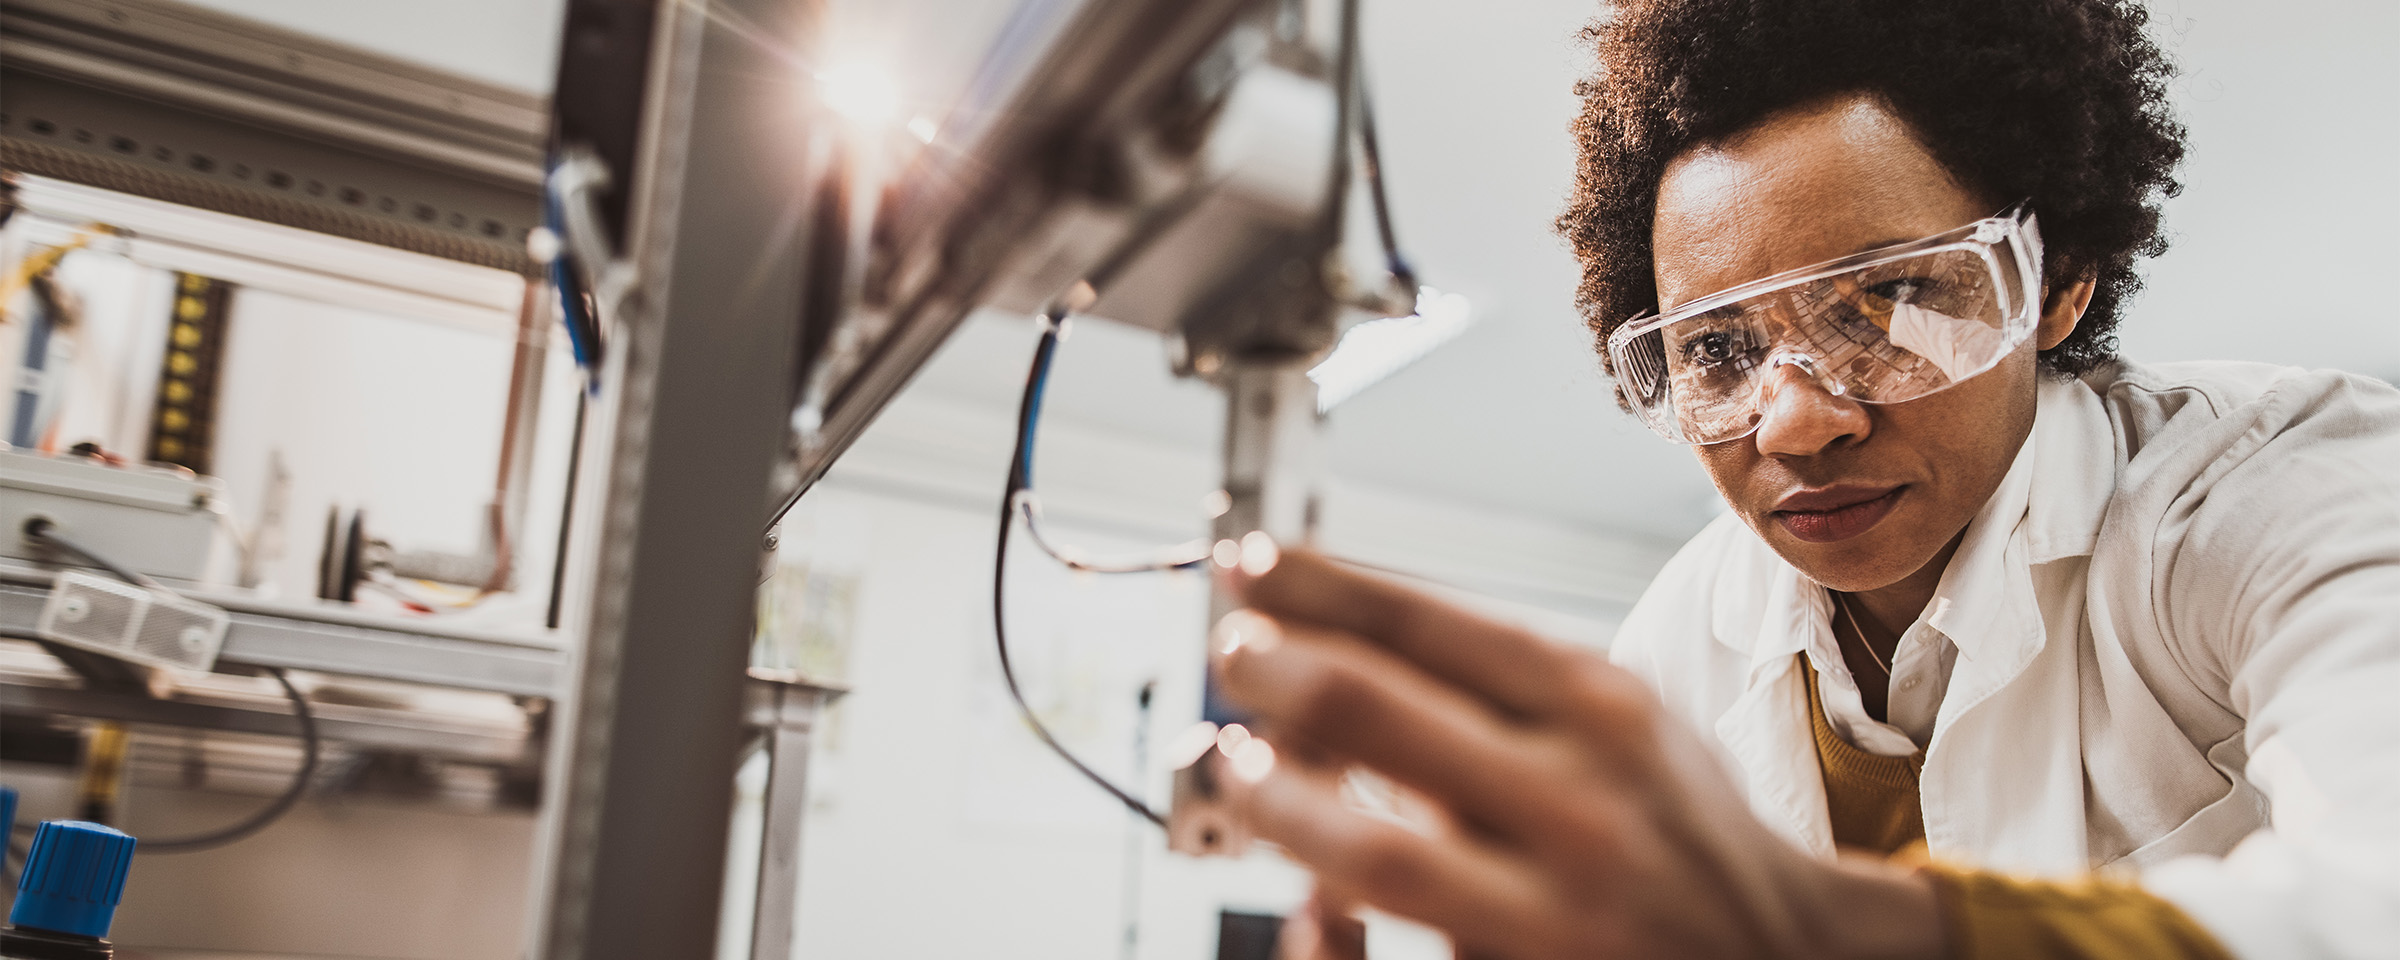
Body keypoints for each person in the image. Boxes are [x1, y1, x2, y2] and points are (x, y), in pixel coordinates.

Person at [1206, 0, 2400, 957]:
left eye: (1892, 302)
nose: (1796, 422)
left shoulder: (2280, 490)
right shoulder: (1686, 633)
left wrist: (1811, 926)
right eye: (1718, 351)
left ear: (2058, 279)